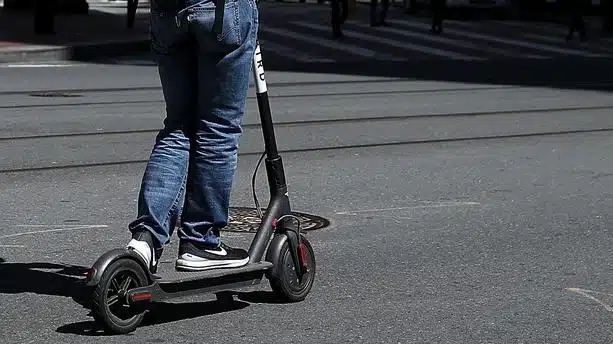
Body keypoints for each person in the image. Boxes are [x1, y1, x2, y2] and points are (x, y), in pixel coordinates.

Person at [126, 0, 259, 273]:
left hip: (168, 11)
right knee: (218, 128)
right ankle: (201, 241)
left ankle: (146, 239)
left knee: (178, 127)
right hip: (221, 10)